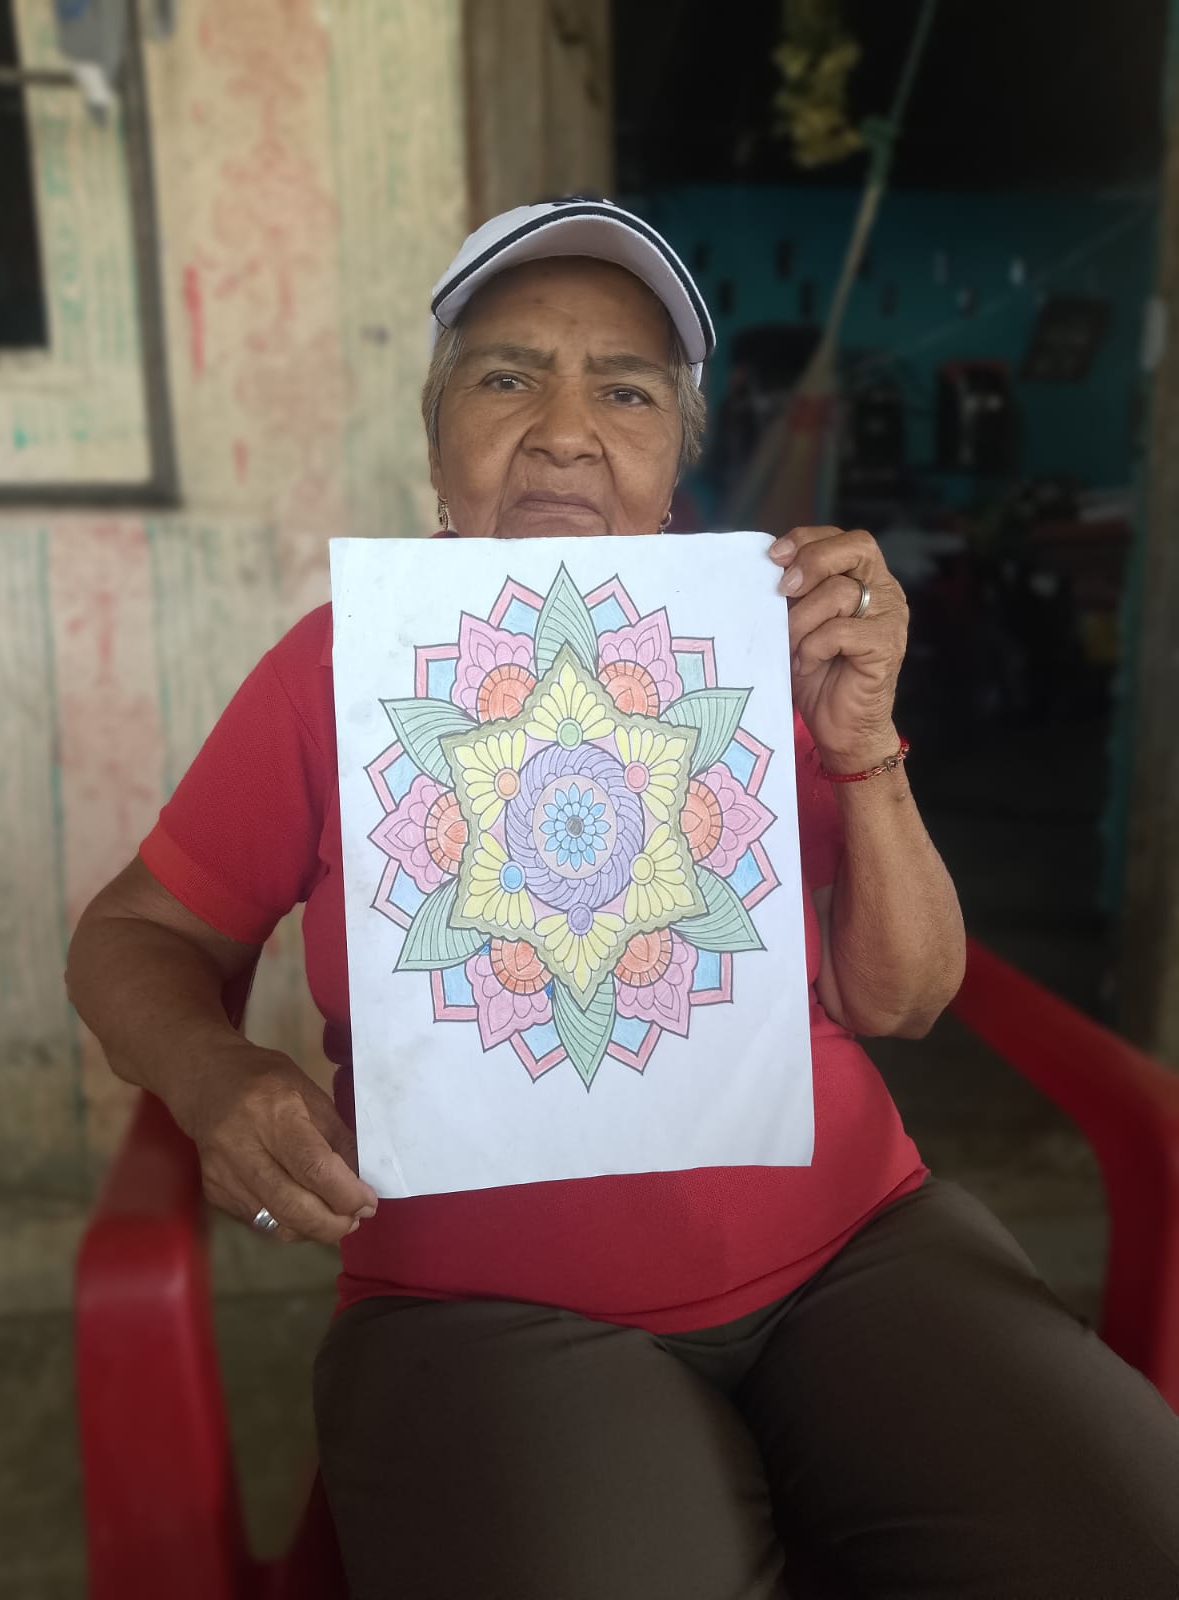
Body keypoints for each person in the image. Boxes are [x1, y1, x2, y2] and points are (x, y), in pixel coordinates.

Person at [67, 198, 1179, 1600]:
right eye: (507, 375)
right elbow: (133, 935)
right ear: (437, 443)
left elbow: (904, 998)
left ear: (671, 464)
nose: (566, 430)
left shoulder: (756, 648)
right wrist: (211, 1071)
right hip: (483, 1313)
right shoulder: (336, 673)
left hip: (862, 1248)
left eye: (627, 390)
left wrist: (859, 744)